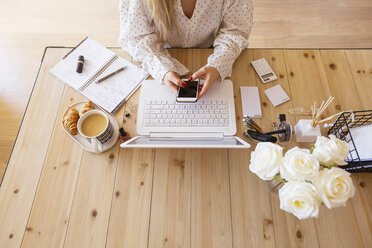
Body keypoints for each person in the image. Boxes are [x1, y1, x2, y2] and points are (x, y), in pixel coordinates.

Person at [119, 0, 253, 98]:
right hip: (161, 51)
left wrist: (218, 65)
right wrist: (161, 68)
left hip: (212, 49)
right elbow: (135, 36)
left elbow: (235, 31)